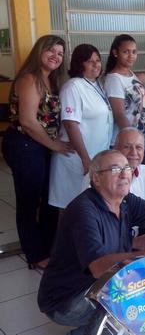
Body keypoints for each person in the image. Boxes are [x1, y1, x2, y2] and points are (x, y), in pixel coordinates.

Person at [37, 150, 145, 334]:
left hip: (100, 282)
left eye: (126, 168)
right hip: (67, 297)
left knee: (143, 290)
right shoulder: (83, 211)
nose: (124, 174)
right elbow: (97, 266)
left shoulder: (125, 201)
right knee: (132, 302)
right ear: (96, 179)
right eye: (115, 169)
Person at [1, 35, 72, 270]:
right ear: (39, 52)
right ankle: (35, 254)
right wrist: (54, 145)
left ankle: (47, 247)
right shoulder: (30, 79)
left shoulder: (52, 80)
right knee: (29, 201)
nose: (56, 56)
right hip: (24, 145)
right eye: (50, 50)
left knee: (49, 198)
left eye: (60, 53)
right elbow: (28, 121)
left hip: (41, 146)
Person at [49, 44, 113, 210]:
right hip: (77, 159)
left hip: (94, 158)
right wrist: (85, 159)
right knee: (70, 207)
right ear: (79, 63)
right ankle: (63, 237)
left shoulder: (96, 85)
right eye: (89, 61)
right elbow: (70, 125)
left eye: (98, 60)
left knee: (87, 208)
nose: (96, 64)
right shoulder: (73, 87)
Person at [104, 34, 145, 167]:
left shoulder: (132, 74)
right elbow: (119, 114)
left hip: (141, 140)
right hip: (127, 144)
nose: (131, 55)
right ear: (115, 53)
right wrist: (133, 140)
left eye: (134, 52)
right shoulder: (114, 79)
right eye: (125, 52)